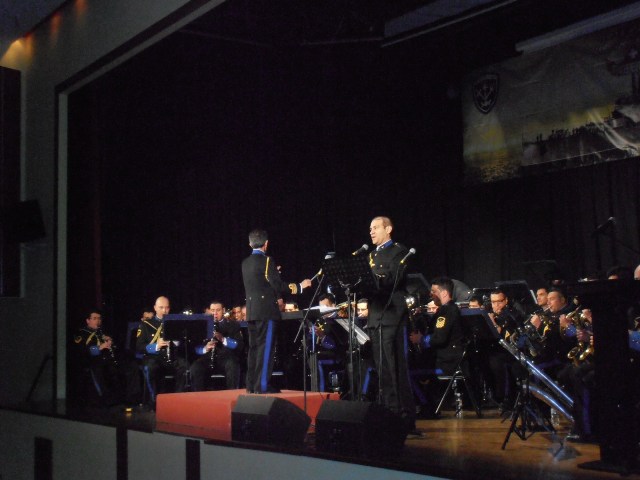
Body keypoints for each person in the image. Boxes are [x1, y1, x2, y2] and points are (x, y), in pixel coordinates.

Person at [241, 229, 311, 394]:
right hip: (266, 312)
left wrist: (273, 273)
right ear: (266, 244)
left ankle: (251, 385)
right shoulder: (267, 261)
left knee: (253, 348)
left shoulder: (245, 263)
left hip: (251, 311)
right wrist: (300, 286)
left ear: (250, 243)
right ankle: (262, 386)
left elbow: (259, 284)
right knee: (265, 348)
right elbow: (277, 285)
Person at [366, 216, 416, 434]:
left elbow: (391, 279)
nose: (371, 231)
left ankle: (403, 416)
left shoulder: (399, 251)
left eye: (376, 227)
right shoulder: (370, 255)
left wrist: (372, 279)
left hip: (392, 315)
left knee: (395, 367)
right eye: (370, 228)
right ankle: (388, 411)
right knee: (382, 368)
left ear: (388, 229)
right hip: (376, 315)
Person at [72, 309, 141, 406]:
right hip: (94, 362)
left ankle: (132, 397)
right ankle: (106, 399)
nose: (98, 321)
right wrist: (101, 347)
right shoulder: (82, 333)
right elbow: (83, 351)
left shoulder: (101, 332)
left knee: (132, 366)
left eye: (99, 318)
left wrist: (111, 342)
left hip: (109, 360)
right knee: (104, 370)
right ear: (88, 320)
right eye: (94, 318)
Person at [136, 296, 189, 398]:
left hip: (172, 356)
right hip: (154, 357)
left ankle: (178, 398)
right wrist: (156, 345)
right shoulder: (146, 324)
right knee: (150, 368)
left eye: (167, 308)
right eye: (161, 307)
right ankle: (153, 401)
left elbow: (184, 343)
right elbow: (139, 346)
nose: (164, 311)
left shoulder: (176, 323)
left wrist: (174, 342)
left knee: (184, 366)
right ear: (155, 308)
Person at [190, 301, 245, 390]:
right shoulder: (202, 325)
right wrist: (205, 348)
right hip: (207, 358)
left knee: (233, 365)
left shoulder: (233, 325)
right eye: (212, 310)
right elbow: (195, 348)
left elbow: (238, 346)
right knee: (195, 367)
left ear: (223, 310)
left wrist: (223, 339)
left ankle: (232, 394)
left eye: (218, 310)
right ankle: (197, 396)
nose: (215, 313)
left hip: (226, 359)